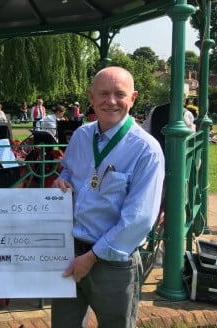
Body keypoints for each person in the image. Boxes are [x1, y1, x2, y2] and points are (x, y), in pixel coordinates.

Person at [52, 66, 164, 328]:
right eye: (103, 93)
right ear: (91, 97)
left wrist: (91, 257)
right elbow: (68, 170)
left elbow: (139, 219)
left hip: (113, 263)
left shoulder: (146, 150)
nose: (110, 101)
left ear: (133, 97)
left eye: (119, 94)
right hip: (69, 252)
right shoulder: (80, 136)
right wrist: (61, 181)